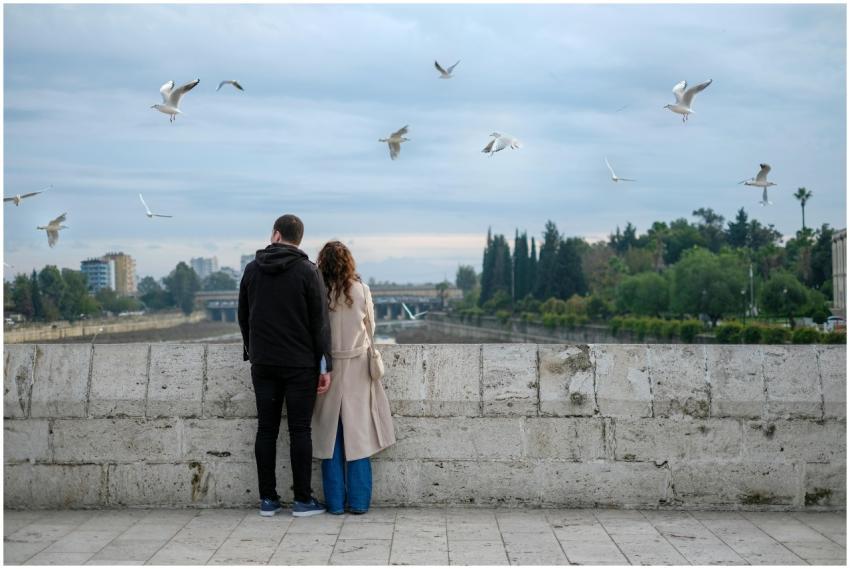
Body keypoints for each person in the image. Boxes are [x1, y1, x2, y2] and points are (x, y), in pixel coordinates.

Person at [238, 214, 333, 517]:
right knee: (299, 431)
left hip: (263, 362)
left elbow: (242, 315)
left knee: (265, 429)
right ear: (299, 239)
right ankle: (303, 500)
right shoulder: (308, 271)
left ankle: (268, 499)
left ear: (276, 235)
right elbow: (320, 323)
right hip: (300, 365)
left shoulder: (252, 270)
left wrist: (253, 351)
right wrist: (324, 365)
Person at [312, 240, 396, 515]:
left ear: (322, 262)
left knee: (329, 438)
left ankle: (335, 503)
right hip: (358, 367)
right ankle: (359, 502)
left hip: (328, 367)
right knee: (359, 438)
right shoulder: (361, 290)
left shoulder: (318, 291)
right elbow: (371, 327)